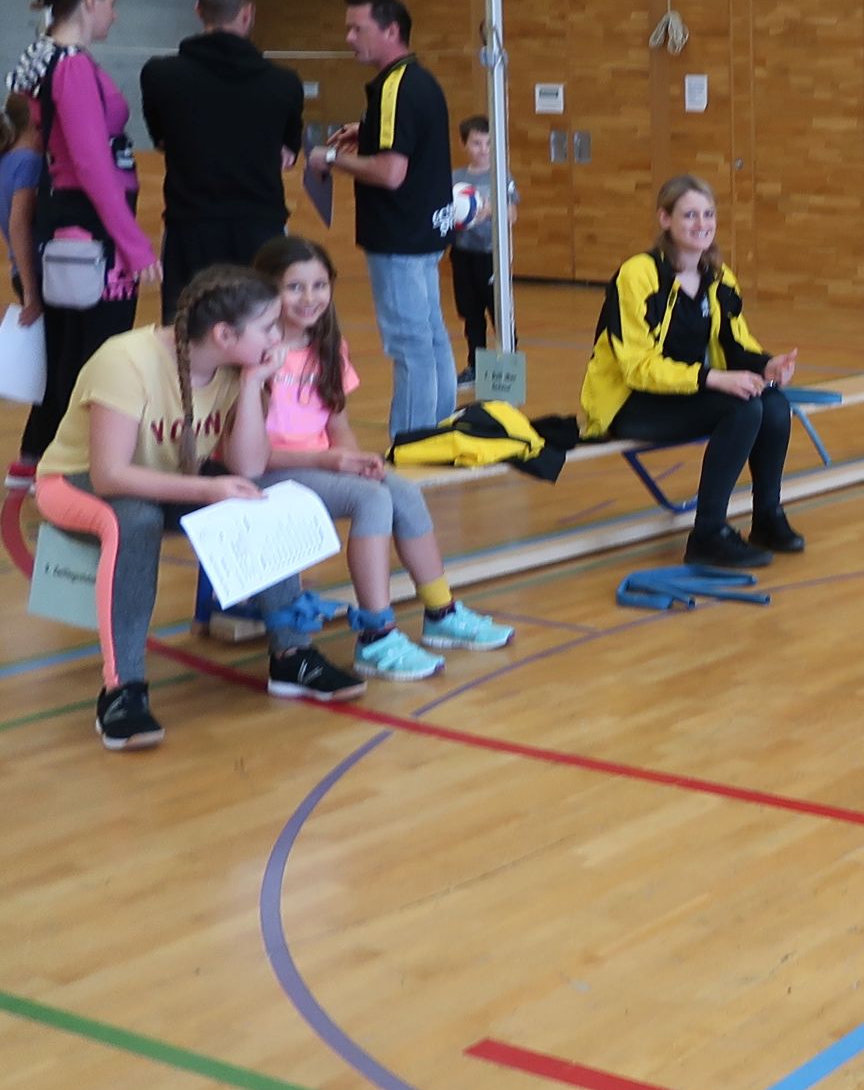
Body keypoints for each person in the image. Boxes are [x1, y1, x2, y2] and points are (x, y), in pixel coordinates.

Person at [33, 264, 366, 752]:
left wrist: (253, 385)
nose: (279, 338)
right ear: (225, 335)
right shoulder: (125, 361)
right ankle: (122, 690)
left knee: (257, 498)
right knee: (136, 520)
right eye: (268, 327)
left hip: (165, 480)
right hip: (76, 482)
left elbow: (248, 465)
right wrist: (209, 492)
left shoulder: (236, 369)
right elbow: (110, 476)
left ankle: (291, 656)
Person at [254, 236, 515, 678]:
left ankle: (441, 611)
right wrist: (333, 465)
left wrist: (356, 461)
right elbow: (249, 454)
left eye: (319, 285)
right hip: (271, 471)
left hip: (321, 467)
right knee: (371, 500)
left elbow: (337, 425)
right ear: (266, 289)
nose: (309, 297)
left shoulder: (327, 346)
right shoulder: (256, 354)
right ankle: (376, 634)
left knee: (400, 491)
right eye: (294, 287)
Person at [577, 174, 804, 570]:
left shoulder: (718, 276)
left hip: (684, 391)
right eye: (689, 215)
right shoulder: (638, 275)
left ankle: (767, 516)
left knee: (772, 403)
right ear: (665, 219)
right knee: (743, 409)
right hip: (631, 401)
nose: (702, 224)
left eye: (708, 214)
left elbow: (735, 342)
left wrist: (767, 365)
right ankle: (708, 535)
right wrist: (713, 378)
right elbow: (637, 367)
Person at [19, 0, 161, 478]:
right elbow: (91, 164)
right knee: (95, 361)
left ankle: (38, 471)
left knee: (67, 356)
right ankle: (80, 472)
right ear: (90, 3)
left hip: (65, 225)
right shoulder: (72, 67)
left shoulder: (42, 60)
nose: (114, 15)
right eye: (111, 3)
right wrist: (135, 245)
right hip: (90, 230)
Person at [305, 0, 459, 437]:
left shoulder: (395, 88)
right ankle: (437, 432)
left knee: (411, 346)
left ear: (391, 31)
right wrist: (368, 131)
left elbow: (391, 172)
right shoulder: (419, 80)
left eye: (358, 29)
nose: (349, 38)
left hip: (399, 237)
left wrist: (329, 158)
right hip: (423, 231)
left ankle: (410, 444)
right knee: (431, 338)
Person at [140, 0, 306, 317]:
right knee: (262, 326)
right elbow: (287, 155)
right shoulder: (285, 83)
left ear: (198, 10)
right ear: (248, 13)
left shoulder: (160, 76)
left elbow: (162, 141)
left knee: (189, 328)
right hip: (261, 228)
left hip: (191, 228)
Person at [448, 114, 517, 385]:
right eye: (477, 143)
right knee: (471, 313)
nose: (483, 150)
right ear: (464, 144)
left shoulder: (501, 175)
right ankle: (476, 367)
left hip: (491, 256)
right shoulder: (456, 179)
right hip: (463, 255)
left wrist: (489, 210)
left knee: (498, 312)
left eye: (488, 143)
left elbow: (512, 214)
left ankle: (507, 367)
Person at [1, 95, 43, 489]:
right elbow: (19, 224)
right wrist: (32, 291)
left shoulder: (10, 159)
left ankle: (32, 462)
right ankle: (32, 463)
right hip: (33, 274)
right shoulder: (29, 161)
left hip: (24, 271)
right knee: (52, 375)